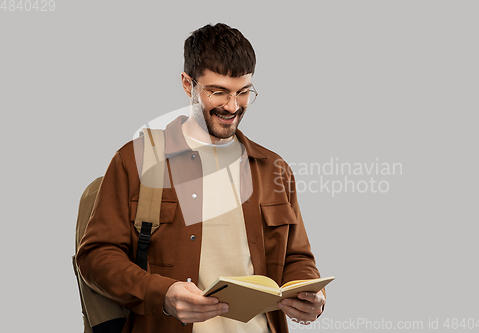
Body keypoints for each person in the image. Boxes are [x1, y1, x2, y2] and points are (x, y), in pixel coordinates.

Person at [77, 23, 325, 333]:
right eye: (218, 92)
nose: (232, 106)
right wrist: (162, 294)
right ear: (187, 84)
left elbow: (297, 256)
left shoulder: (273, 168)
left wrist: (311, 294)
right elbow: (96, 257)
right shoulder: (138, 160)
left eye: (243, 92)